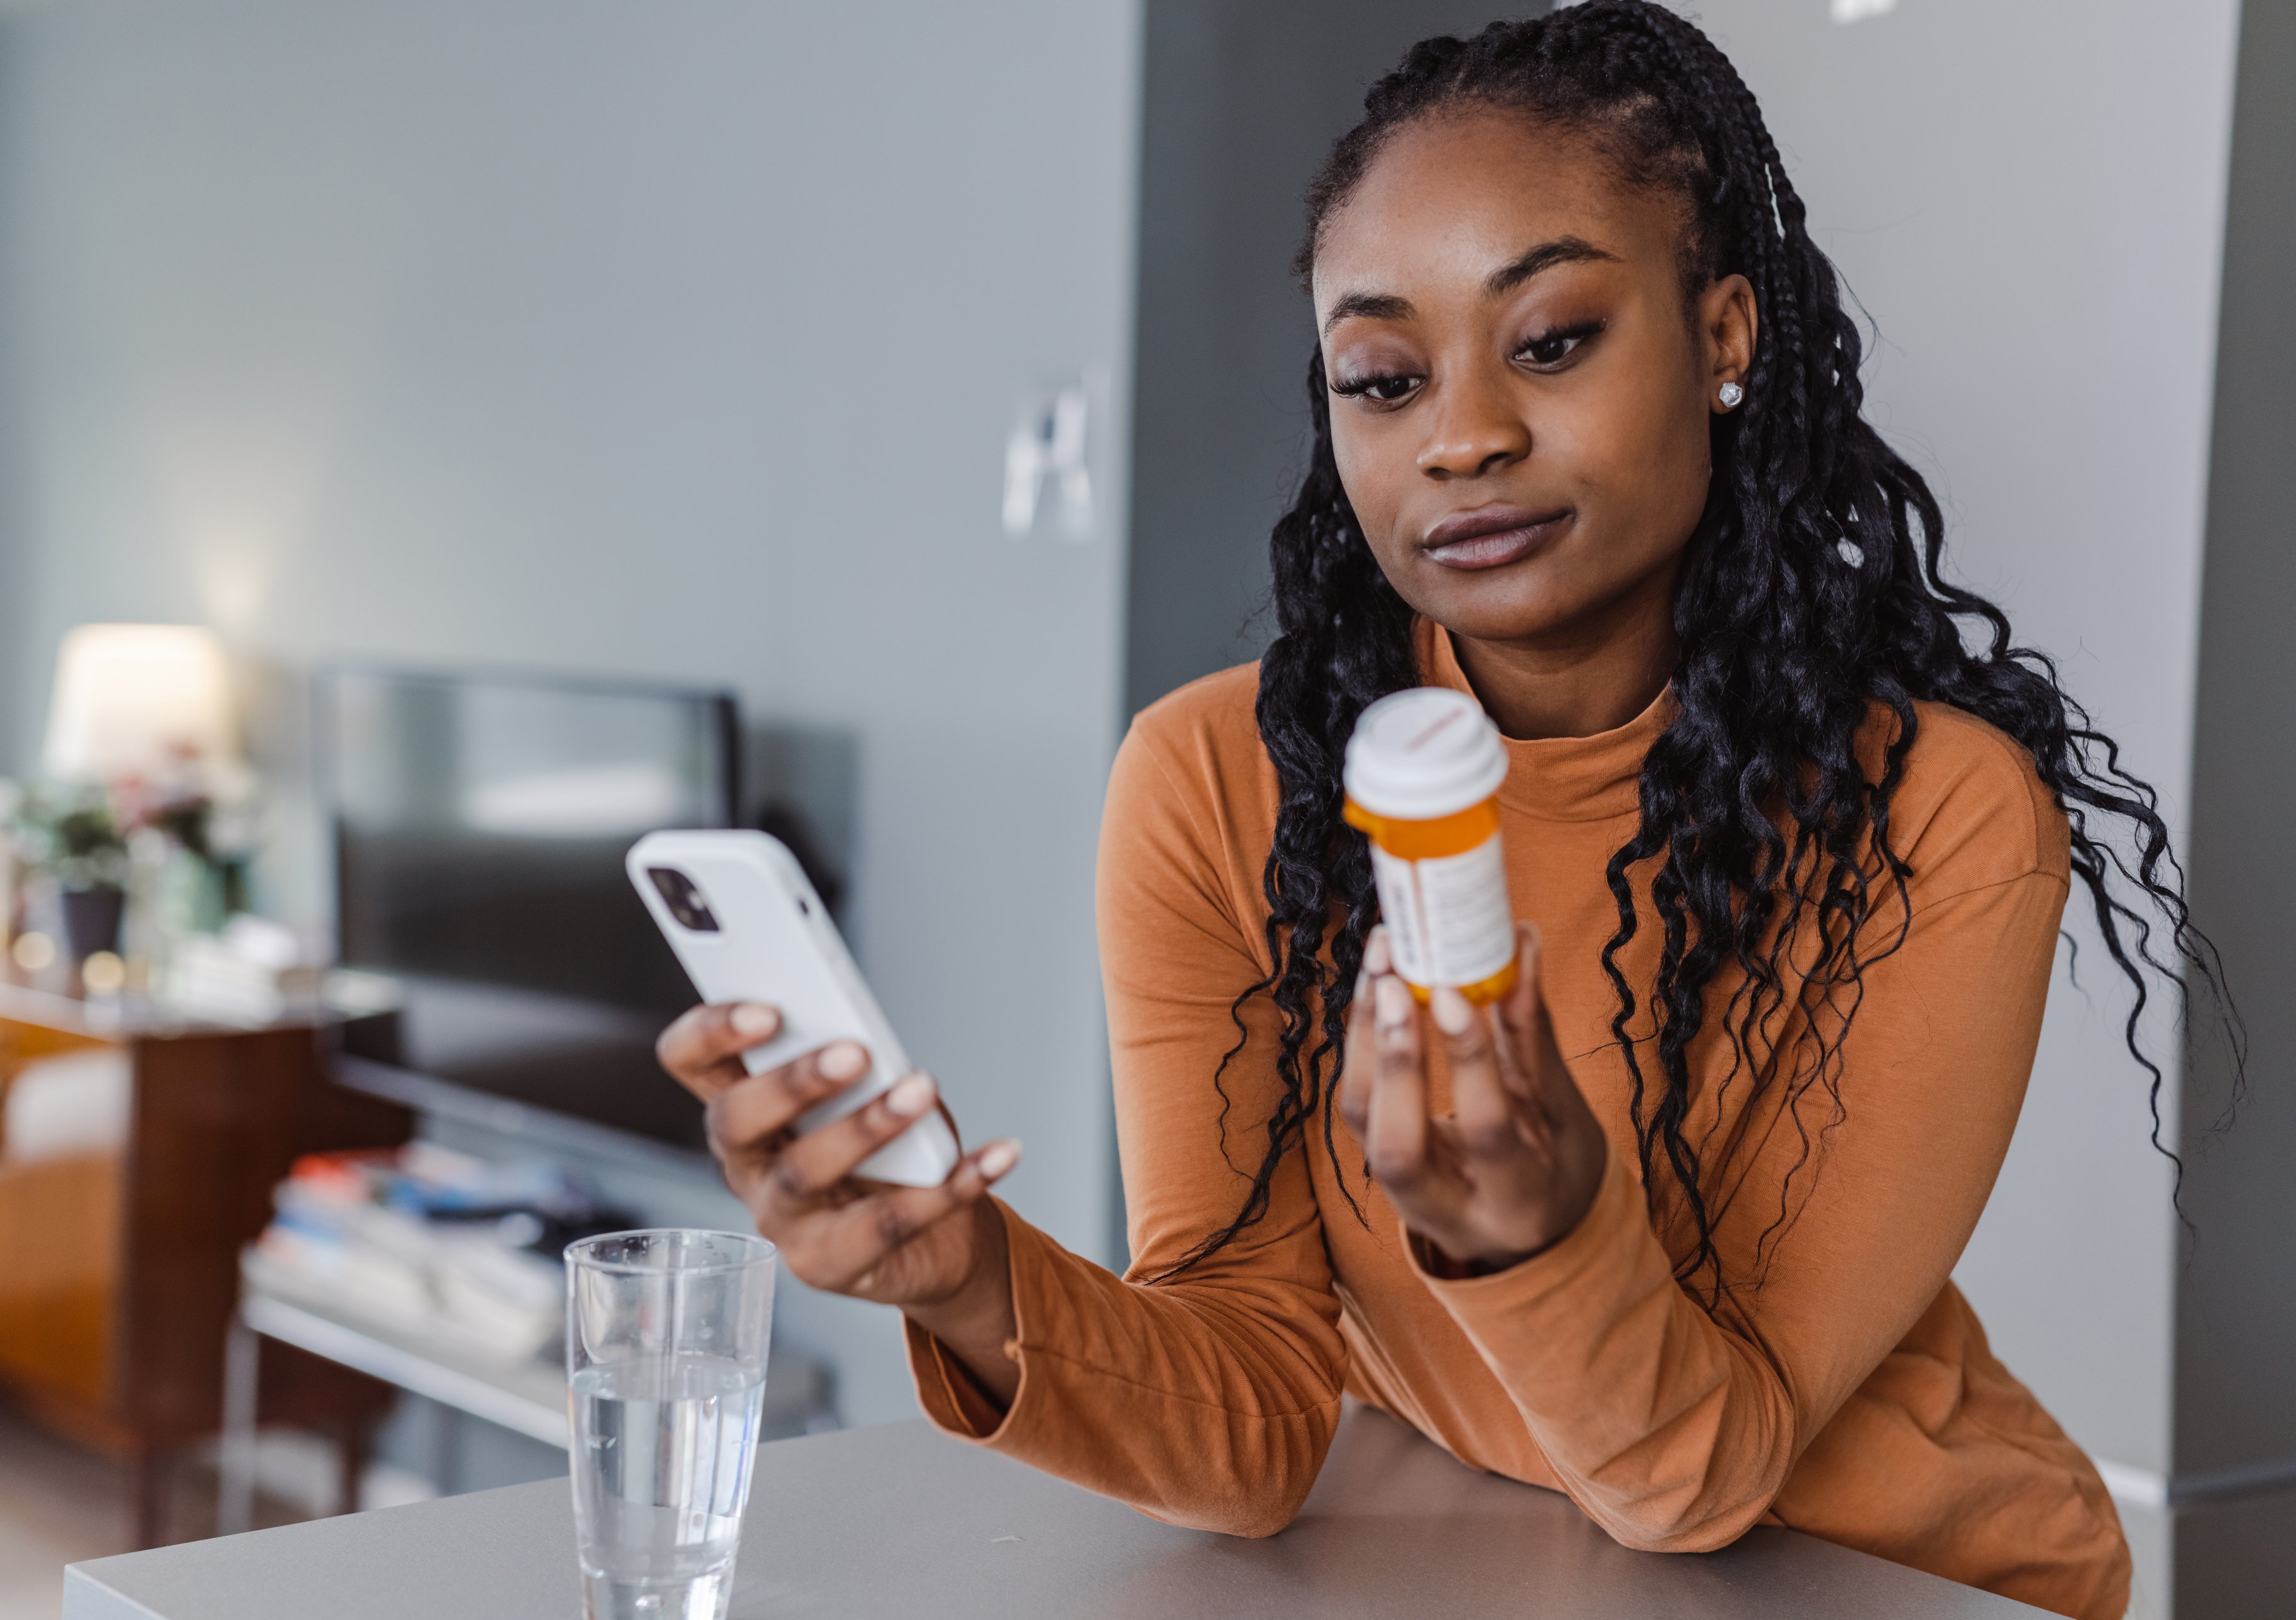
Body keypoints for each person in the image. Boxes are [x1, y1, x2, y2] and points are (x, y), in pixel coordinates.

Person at [658, 7, 2220, 1615]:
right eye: (1384, 379)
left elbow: (1707, 1474)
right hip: (1520, 1568)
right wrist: (967, 1280)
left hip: (1914, 1579)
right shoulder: (1220, 783)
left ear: (1726, 336)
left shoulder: (1937, 815)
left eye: (1550, 341)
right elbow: (1254, 1423)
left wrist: (1539, 1233)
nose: (1463, 438)